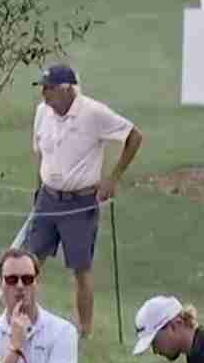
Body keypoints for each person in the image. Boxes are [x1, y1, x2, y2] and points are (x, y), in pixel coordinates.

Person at [28, 63, 143, 338]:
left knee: (80, 268)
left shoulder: (93, 113)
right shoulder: (43, 112)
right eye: (42, 88)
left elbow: (134, 136)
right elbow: (42, 153)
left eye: (49, 88)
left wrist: (112, 179)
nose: (44, 94)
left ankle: (85, 331)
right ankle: (24, 320)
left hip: (80, 202)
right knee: (29, 264)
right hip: (48, 198)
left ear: (67, 89)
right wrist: (38, 190)